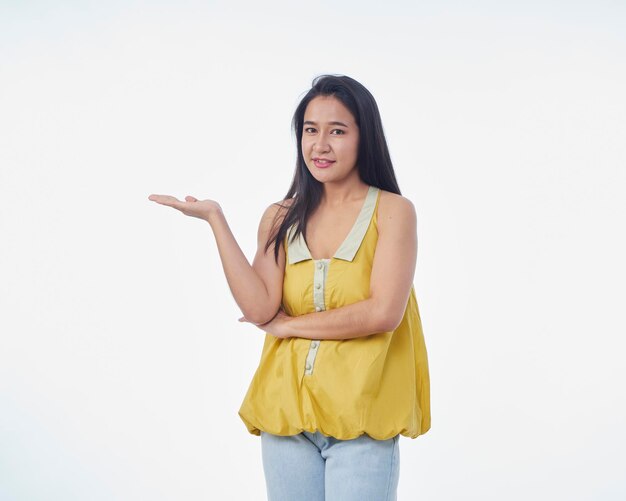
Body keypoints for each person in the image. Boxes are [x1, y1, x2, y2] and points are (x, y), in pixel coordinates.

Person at [148, 74, 431, 501]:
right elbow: (261, 308)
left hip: (362, 418)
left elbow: (382, 313)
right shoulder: (280, 216)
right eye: (310, 130)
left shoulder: (393, 212)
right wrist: (216, 221)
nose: (320, 145)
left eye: (337, 131)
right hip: (286, 417)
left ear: (364, 137)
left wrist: (291, 327)